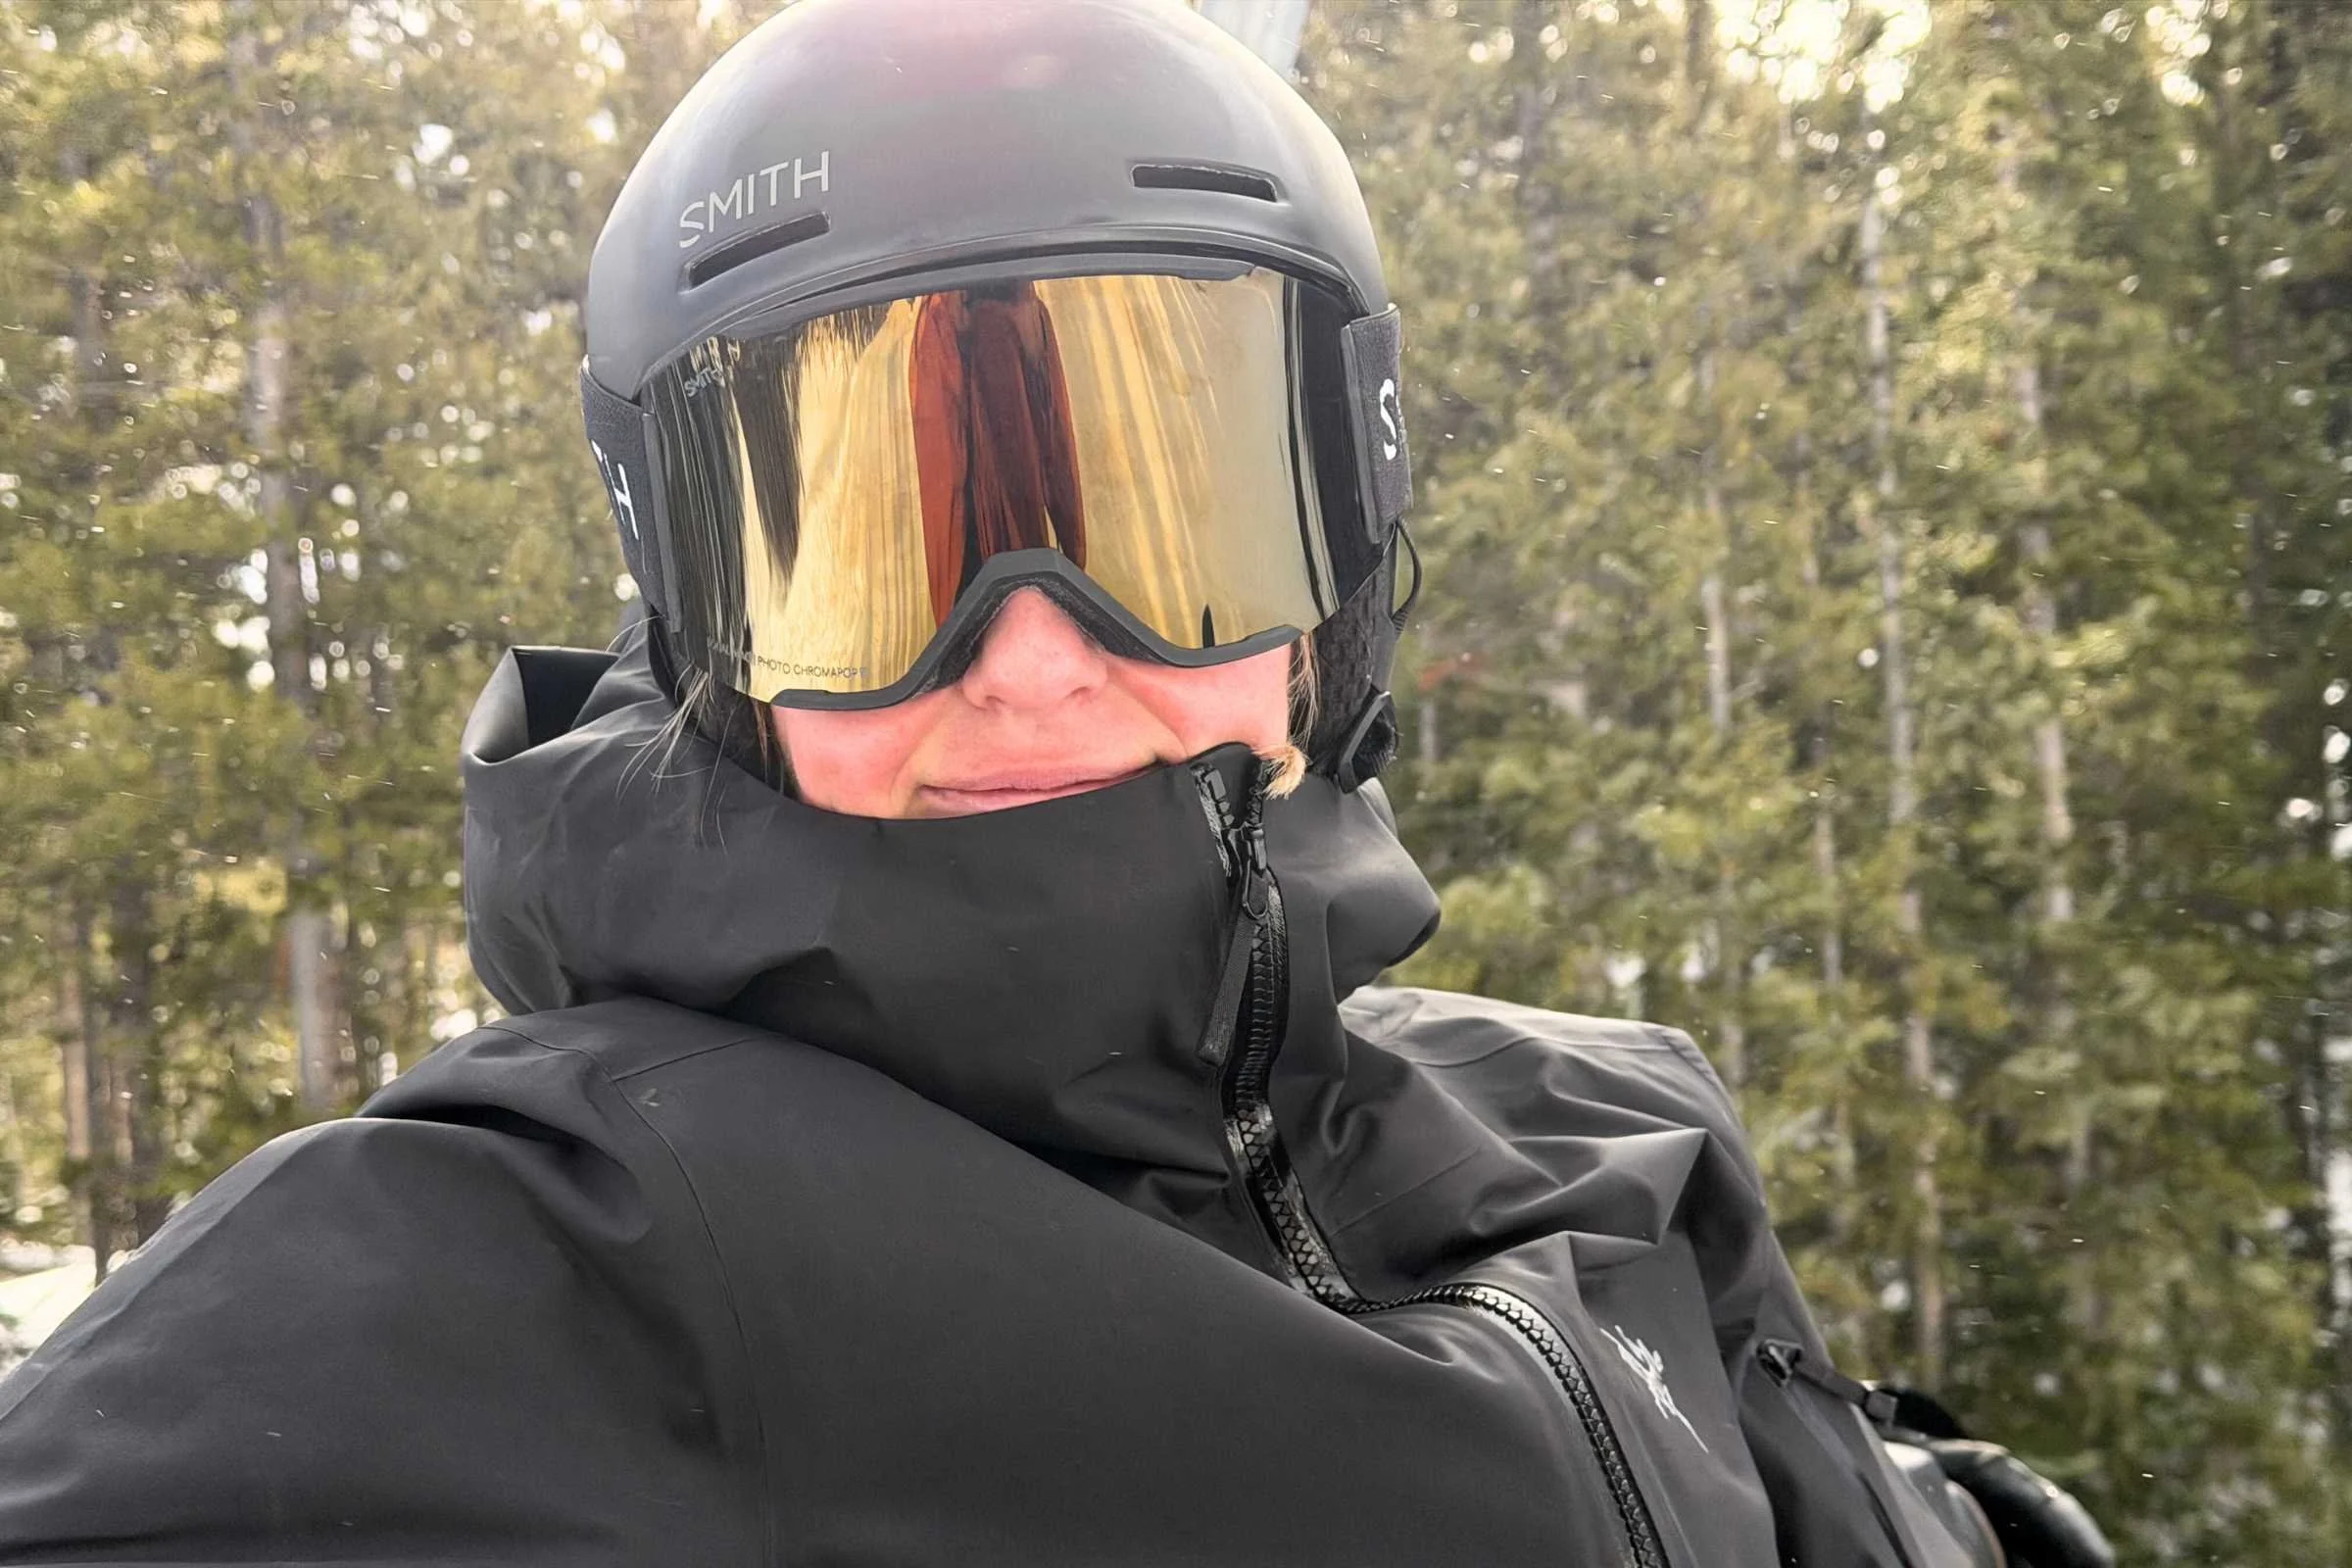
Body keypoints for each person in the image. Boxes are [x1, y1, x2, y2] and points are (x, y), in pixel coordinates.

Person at [0, 2, 2109, 1564]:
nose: (1029, 652)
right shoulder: (531, 1263)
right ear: (700, 628)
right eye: (877, 548)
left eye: (1160, 508)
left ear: (1346, 559)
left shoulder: (1604, 1120)